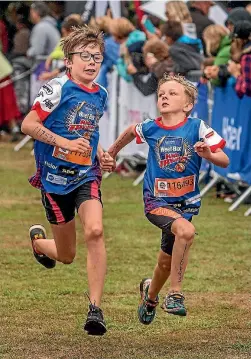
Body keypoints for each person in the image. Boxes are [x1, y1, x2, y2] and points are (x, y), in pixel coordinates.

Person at [107, 74, 229, 324]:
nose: (164, 96)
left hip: (185, 204)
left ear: (187, 105)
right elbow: (131, 131)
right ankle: (175, 295)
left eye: (172, 93)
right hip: (157, 202)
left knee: (165, 262)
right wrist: (111, 153)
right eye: (161, 93)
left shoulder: (198, 127)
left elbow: (224, 160)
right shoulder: (152, 127)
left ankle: (149, 297)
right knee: (186, 231)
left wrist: (208, 154)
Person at [21, 25, 115, 336]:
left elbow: (88, 133)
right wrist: (62, 142)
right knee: (67, 255)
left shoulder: (100, 94)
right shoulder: (56, 87)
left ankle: (95, 310)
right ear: (69, 61)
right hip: (53, 181)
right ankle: (38, 243)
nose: (91, 62)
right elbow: (28, 124)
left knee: (96, 230)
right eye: (84, 56)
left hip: (85, 174)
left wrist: (101, 154)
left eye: (97, 57)